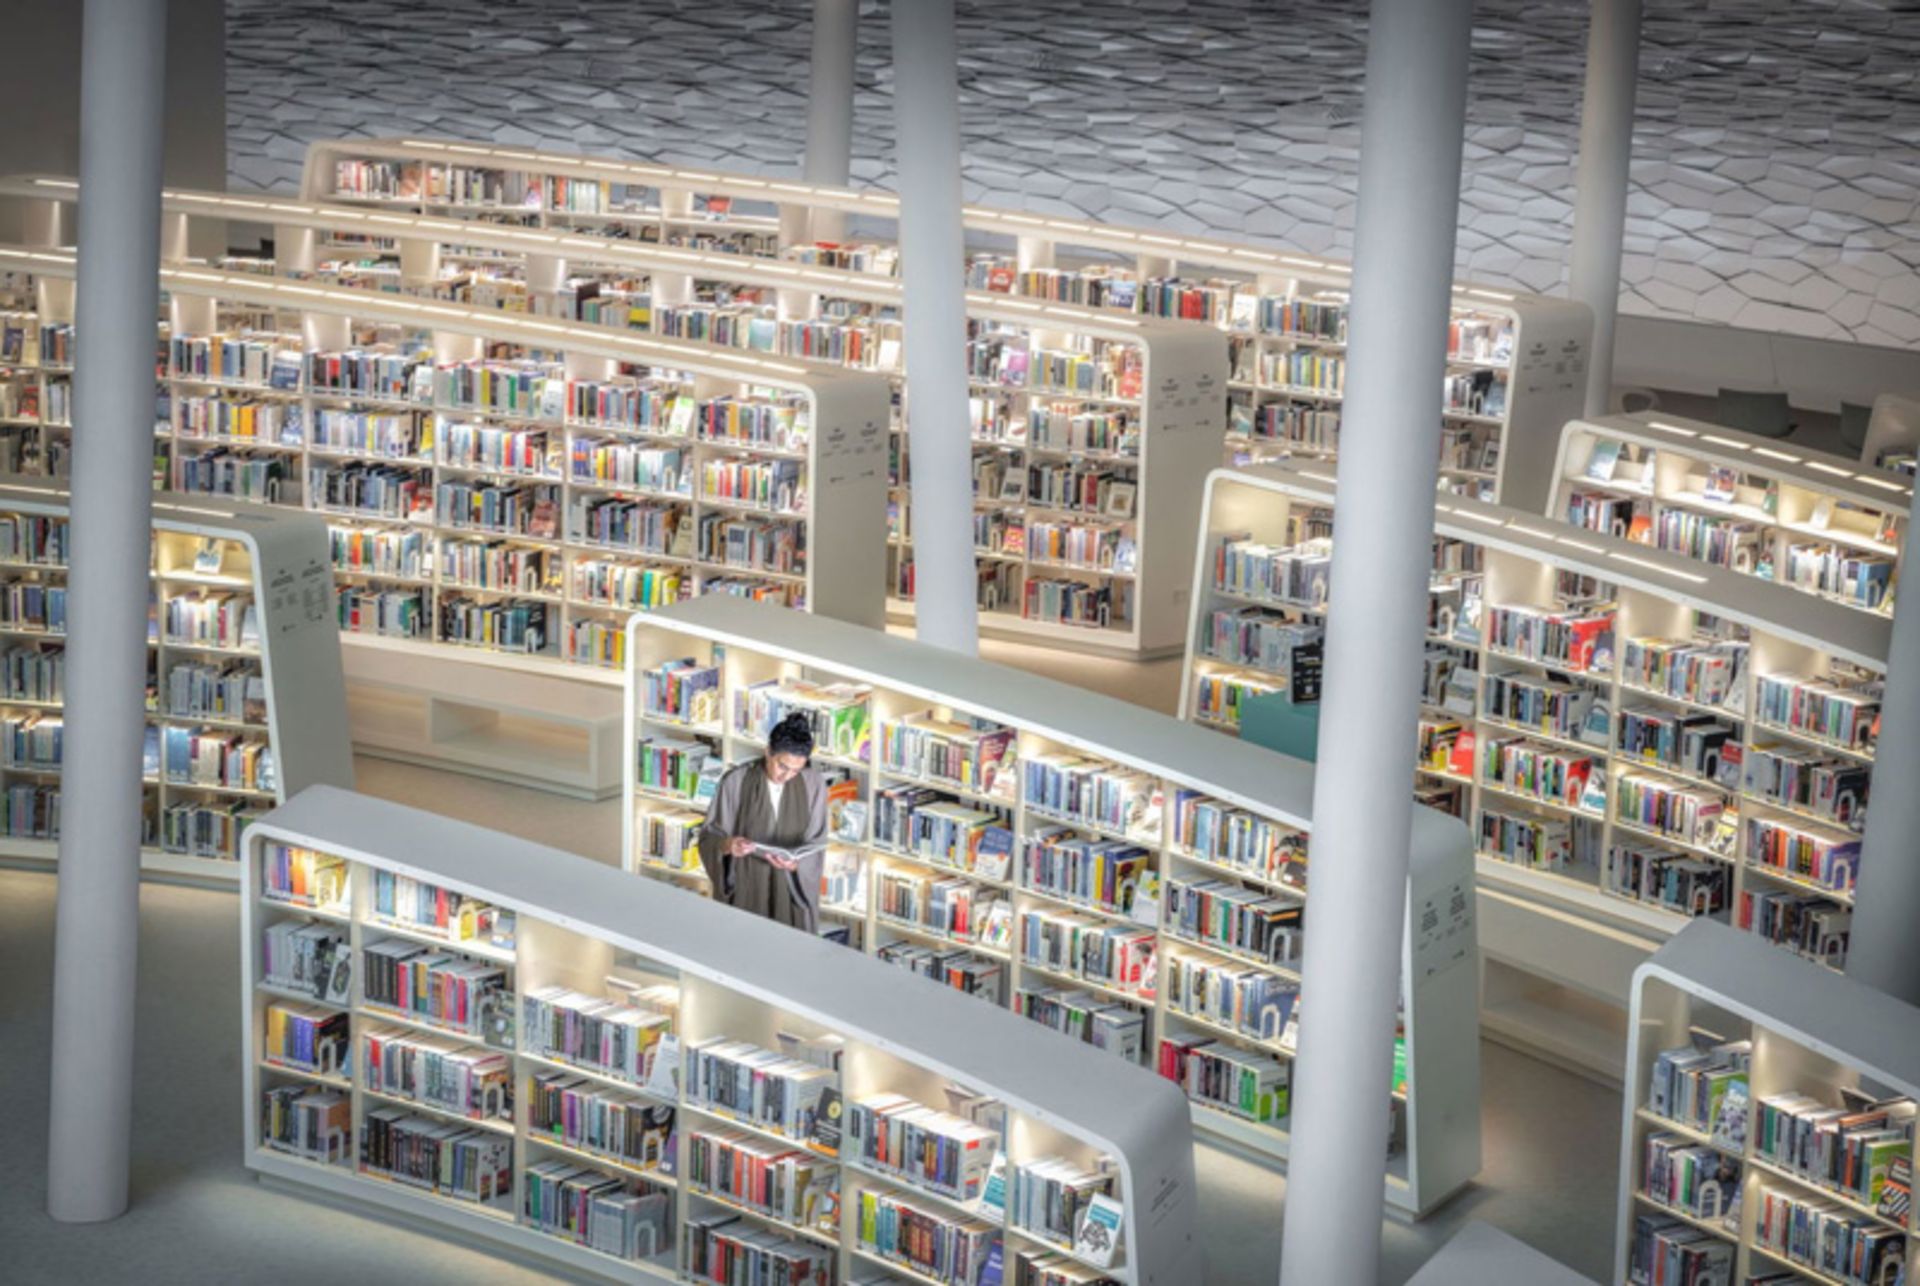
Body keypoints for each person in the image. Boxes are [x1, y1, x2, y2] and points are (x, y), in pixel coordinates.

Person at [697, 711, 828, 933]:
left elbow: (816, 843)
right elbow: (709, 836)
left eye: (796, 770)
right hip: (747, 886)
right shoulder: (736, 781)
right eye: (782, 766)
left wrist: (796, 865)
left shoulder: (813, 783)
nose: (786, 776)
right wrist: (729, 845)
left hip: (790, 890)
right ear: (768, 752)